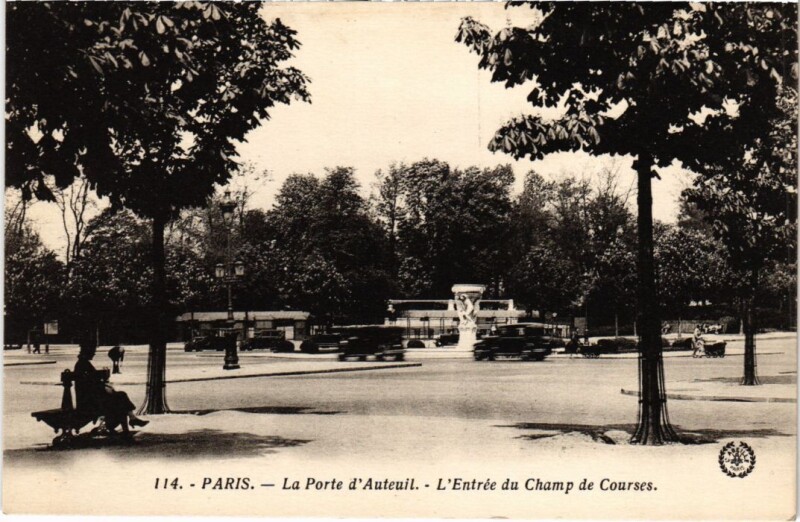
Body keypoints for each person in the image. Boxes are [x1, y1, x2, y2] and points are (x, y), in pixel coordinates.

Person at [75, 340, 148, 435]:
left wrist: (104, 386)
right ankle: (130, 422)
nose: (94, 354)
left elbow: (91, 383)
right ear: (87, 351)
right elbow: (90, 384)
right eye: (93, 352)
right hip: (89, 402)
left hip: (89, 399)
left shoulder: (83, 363)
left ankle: (131, 420)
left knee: (120, 397)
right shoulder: (83, 364)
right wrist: (104, 388)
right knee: (121, 397)